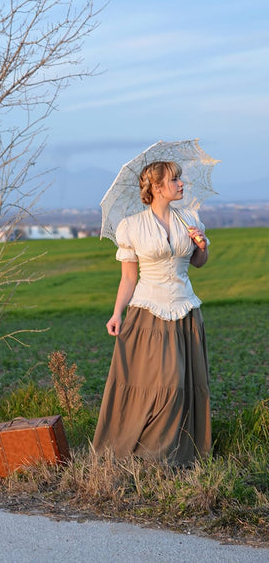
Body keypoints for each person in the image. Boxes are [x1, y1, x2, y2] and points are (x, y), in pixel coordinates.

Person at [93, 160, 211, 465]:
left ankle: (177, 453)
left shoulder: (189, 218)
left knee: (184, 385)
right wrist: (117, 313)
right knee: (165, 383)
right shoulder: (131, 226)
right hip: (149, 314)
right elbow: (129, 277)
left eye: (180, 179)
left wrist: (201, 246)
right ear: (156, 187)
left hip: (186, 311)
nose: (181, 184)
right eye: (174, 180)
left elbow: (199, 263)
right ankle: (147, 453)